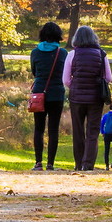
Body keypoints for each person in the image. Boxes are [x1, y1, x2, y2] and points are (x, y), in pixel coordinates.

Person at [63, 25, 112, 171]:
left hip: (76, 98)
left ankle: (78, 163)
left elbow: (65, 80)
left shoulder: (72, 54)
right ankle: (88, 164)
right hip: (95, 98)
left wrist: (76, 84)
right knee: (92, 132)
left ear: (76, 38)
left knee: (78, 130)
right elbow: (108, 78)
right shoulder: (101, 54)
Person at [30, 22, 68, 171]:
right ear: (58, 36)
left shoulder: (35, 52)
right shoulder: (62, 53)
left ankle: (38, 162)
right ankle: (50, 163)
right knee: (53, 129)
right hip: (57, 93)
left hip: (39, 92)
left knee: (38, 128)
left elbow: (34, 72)